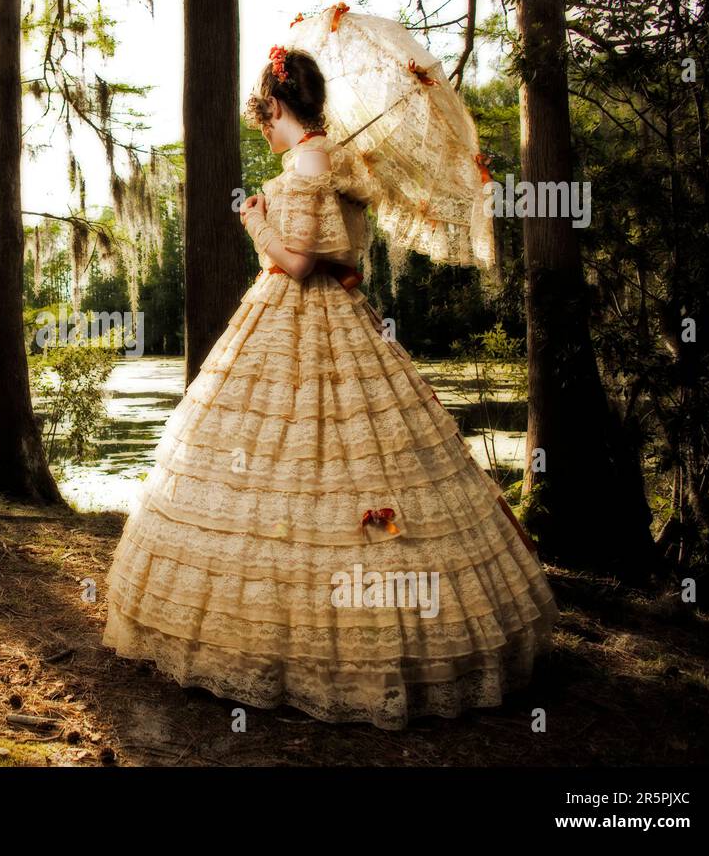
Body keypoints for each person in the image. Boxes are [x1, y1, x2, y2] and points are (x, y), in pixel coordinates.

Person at [100, 46, 558, 729]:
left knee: (310, 464)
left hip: (301, 314)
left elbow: (298, 261)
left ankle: (312, 649)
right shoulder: (329, 158)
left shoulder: (311, 162)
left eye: (266, 122)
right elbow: (334, 258)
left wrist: (256, 220)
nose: (267, 133)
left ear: (278, 108)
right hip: (324, 315)